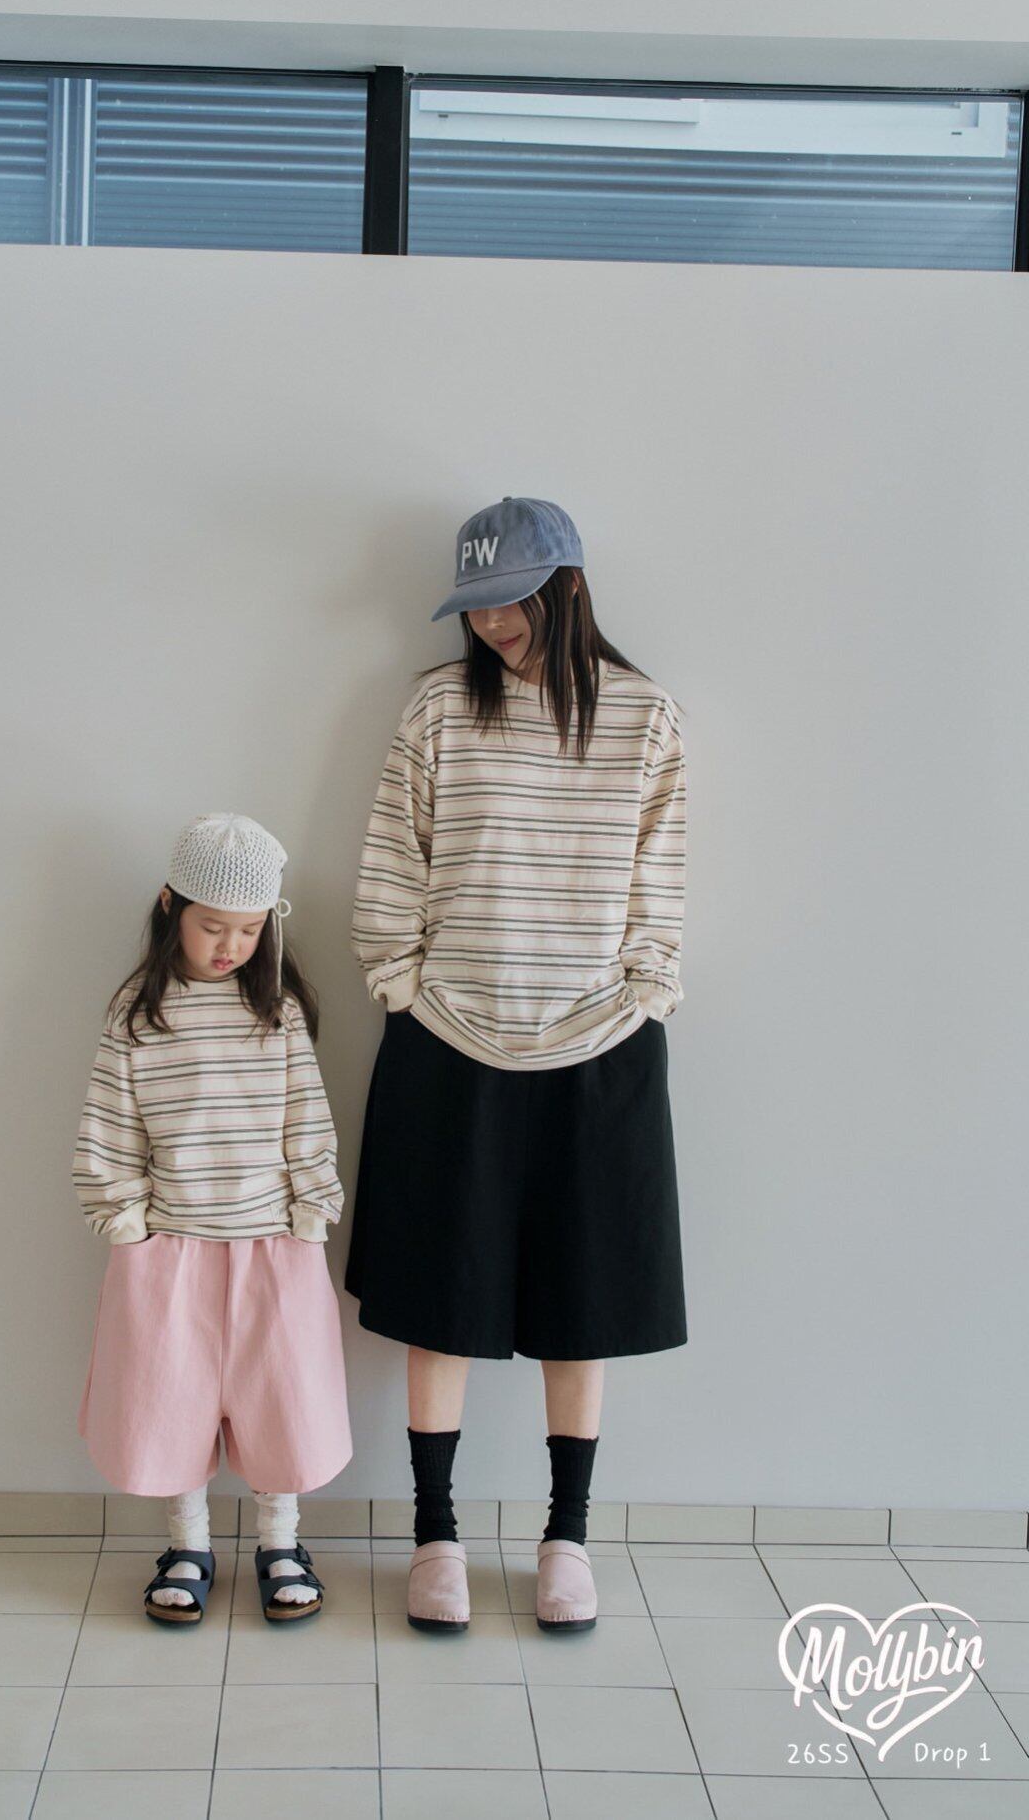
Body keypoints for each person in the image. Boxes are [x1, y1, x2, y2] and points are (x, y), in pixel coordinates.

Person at [346, 496, 688, 1635]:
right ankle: (434, 1536)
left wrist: (644, 991)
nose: (491, 623)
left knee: (583, 1304)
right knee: (437, 1296)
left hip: (601, 1044)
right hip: (448, 1038)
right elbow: (394, 850)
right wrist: (397, 981)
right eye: (476, 605)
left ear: (567, 587)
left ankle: (565, 1539)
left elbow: (659, 872)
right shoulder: (440, 706)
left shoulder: (643, 714)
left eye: (511, 601)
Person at [74, 812, 351, 1626]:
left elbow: (307, 1116)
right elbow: (110, 1122)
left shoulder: (277, 1011)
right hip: (171, 1245)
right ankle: (187, 1544)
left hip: (274, 1241)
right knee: (172, 1398)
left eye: (249, 929)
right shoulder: (138, 1012)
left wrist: (312, 1211)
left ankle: (281, 1542)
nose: (230, 945)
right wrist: (124, 1220)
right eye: (212, 926)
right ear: (171, 907)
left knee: (282, 1397)